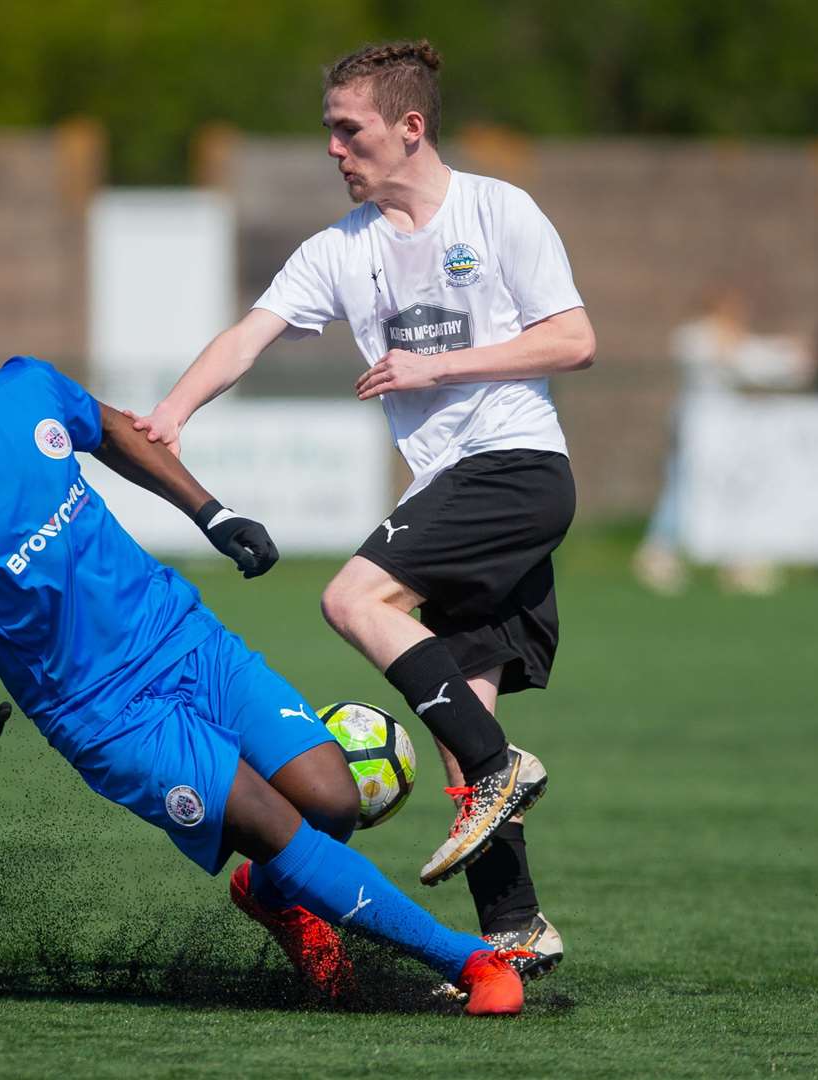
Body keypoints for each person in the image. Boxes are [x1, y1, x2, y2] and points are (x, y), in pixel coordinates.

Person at [0, 293, 536, 1015]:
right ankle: (472, 962)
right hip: (103, 713)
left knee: (331, 798)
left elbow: (107, 428)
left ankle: (274, 897)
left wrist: (213, 513)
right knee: (269, 820)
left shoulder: (24, 390)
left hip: (181, 636)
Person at [130, 41, 594, 982]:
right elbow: (249, 336)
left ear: (409, 127)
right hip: (451, 491)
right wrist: (173, 412)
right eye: (329, 133)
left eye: (350, 131)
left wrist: (440, 365)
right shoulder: (341, 251)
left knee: (352, 600)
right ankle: (516, 926)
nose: (334, 150)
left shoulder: (499, 211)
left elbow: (575, 339)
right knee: (461, 720)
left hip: (514, 467)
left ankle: (501, 768)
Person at [632, 286, 810, 596]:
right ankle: (658, 552)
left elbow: (756, 360)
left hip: (726, 432)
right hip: (696, 427)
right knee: (684, 486)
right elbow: (727, 356)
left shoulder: (735, 341)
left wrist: (787, 353)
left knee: (727, 491)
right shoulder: (696, 336)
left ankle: (736, 561)